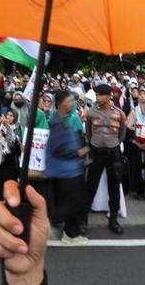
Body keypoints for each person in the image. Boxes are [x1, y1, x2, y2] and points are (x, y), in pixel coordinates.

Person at [46, 89, 89, 244]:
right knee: (75, 202)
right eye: (70, 100)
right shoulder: (57, 122)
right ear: (62, 103)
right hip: (65, 171)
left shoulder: (63, 118)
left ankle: (69, 234)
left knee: (75, 201)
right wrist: (78, 152)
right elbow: (58, 148)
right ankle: (50, 222)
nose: (72, 103)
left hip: (70, 169)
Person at [84, 83, 125, 235]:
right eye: (96, 95)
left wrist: (113, 144)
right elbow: (88, 132)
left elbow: (122, 134)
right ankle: (83, 221)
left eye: (100, 95)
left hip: (113, 154)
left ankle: (113, 220)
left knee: (114, 188)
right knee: (90, 187)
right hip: (96, 153)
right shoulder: (90, 112)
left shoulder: (119, 113)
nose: (98, 97)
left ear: (109, 96)